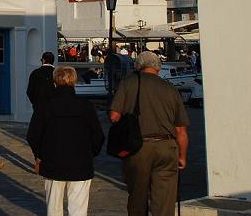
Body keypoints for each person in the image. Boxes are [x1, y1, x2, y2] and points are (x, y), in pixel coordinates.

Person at [110, 51, 190, 216]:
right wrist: (182, 156)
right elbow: (181, 130)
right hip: (167, 148)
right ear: (158, 69)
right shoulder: (170, 88)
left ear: (137, 66)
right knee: (164, 201)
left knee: (137, 198)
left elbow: (114, 116)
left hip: (138, 148)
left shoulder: (128, 83)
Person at [27, 66, 105, 216]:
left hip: (52, 162)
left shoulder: (45, 106)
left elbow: (33, 135)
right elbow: (98, 136)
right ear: (74, 82)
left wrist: (40, 155)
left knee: (54, 209)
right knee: (78, 210)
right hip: (81, 163)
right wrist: (90, 153)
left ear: (55, 82)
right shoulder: (85, 106)